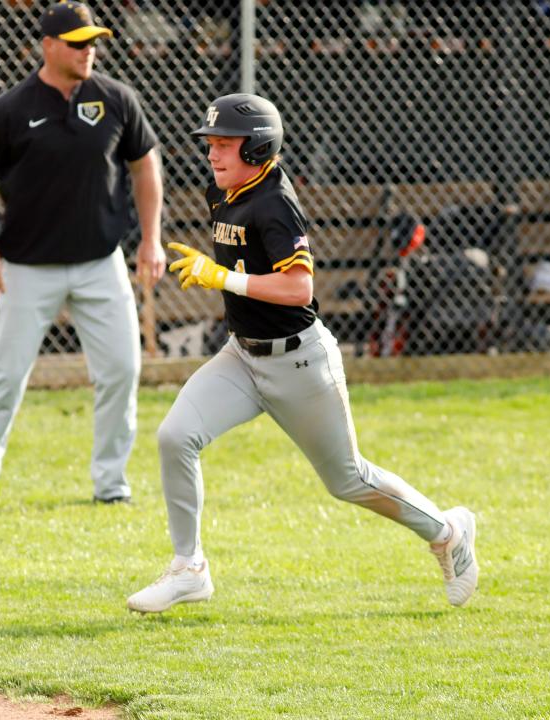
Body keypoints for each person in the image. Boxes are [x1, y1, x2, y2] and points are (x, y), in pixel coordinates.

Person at [126, 94, 480, 614]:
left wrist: (222, 277)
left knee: (349, 480)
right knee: (176, 436)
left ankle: (448, 531)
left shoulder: (274, 201)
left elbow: (299, 289)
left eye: (225, 144)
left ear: (260, 146)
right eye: (211, 144)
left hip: (299, 363)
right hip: (242, 356)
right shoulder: (223, 189)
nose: (213, 154)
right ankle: (189, 568)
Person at [0, 1, 165, 507]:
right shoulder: (12, 107)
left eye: (93, 41)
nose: (89, 50)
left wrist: (151, 238)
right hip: (27, 268)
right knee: (5, 377)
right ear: (48, 45)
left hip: (99, 261)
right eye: (78, 43)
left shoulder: (116, 98)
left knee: (121, 370)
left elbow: (145, 167)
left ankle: (111, 486)